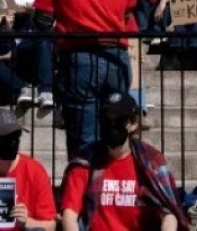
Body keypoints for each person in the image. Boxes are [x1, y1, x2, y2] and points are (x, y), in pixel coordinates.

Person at [33, 0, 137, 152]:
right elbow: (128, 13)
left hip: (79, 58)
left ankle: (83, 185)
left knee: (84, 137)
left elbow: (42, 20)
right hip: (116, 59)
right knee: (116, 135)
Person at [60, 91, 187, 231]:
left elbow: (168, 214)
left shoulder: (151, 164)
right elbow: (70, 214)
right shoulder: (85, 163)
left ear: (133, 124)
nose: (112, 125)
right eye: (106, 119)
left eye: (118, 120)